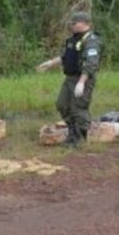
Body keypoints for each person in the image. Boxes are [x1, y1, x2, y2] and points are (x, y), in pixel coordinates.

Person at [35, 11, 103, 145]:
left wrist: (81, 83)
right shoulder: (73, 40)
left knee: (78, 108)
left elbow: (91, 64)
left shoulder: (91, 41)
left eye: (74, 23)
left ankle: (80, 137)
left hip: (83, 78)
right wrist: (50, 63)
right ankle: (72, 131)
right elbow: (66, 57)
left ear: (84, 23)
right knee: (62, 104)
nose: (72, 25)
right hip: (70, 78)